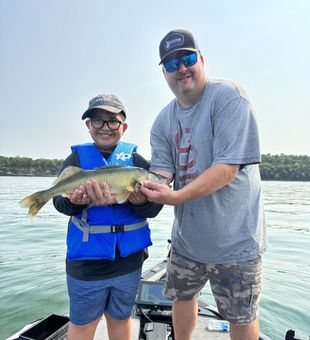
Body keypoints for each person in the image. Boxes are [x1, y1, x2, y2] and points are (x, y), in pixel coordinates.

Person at [140, 29, 266, 340]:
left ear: (201, 59)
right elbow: (162, 172)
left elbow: (227, 168)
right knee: (181, 298)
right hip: (186, 242)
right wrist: (137, 190)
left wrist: (176, 196)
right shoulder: (161, 122)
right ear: (164, 73)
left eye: (187, 58)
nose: (181, 68)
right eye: (171, 64)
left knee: (242, 316)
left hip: (236, 243)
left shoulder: (229, 97)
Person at [53, 94, 162, 340]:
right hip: (86, 263)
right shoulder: (75, 161)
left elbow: (154, 209)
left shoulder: (137, 162)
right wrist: (73, 201)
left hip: (128, 261)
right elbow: (59, 203)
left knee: (121, 319)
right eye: (97, 121)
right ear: (88, 126)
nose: (105, 127)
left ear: (123, 127)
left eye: (112, 121)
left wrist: (141, 200)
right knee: (82, 324)